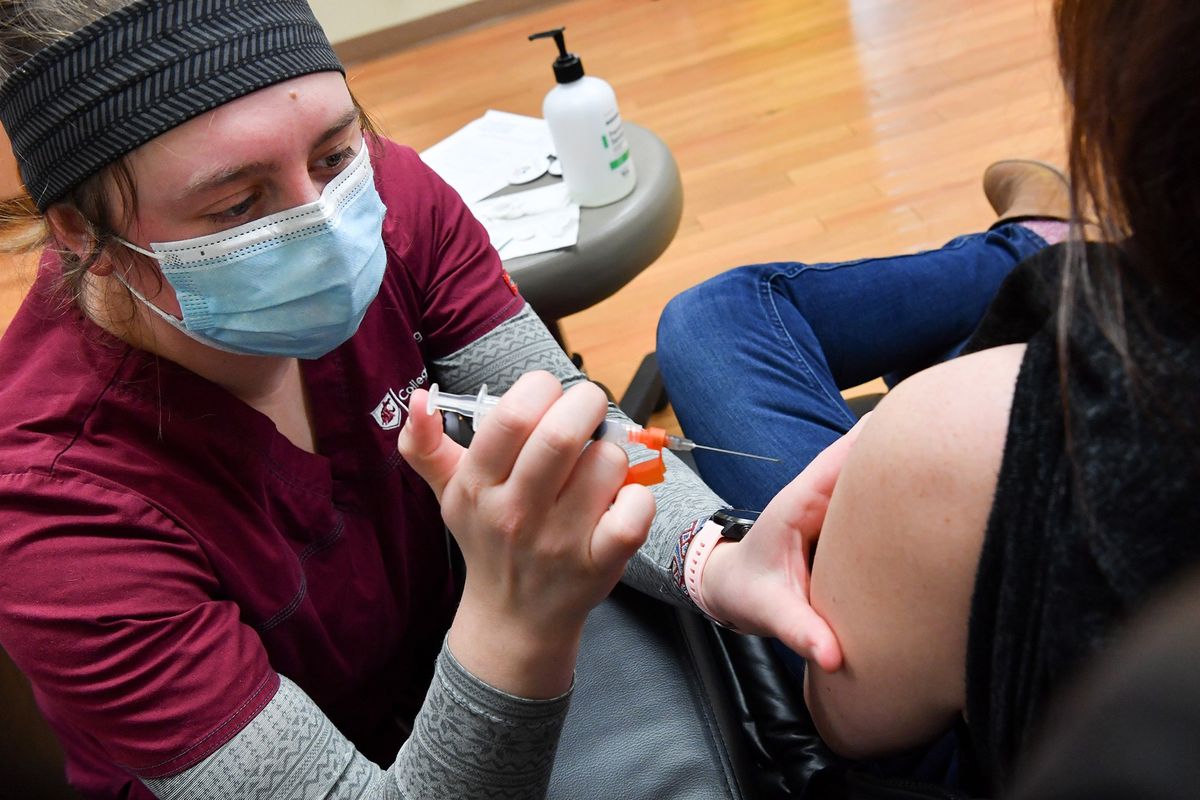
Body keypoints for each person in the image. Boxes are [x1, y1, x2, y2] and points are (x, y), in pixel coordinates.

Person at [0, 1, 729, 797]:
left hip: (458, 665)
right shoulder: (57, 510)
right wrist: (517, 619)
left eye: (332, 153)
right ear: (81, 234)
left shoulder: (390, 196)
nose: (323, 222)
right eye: (236, 206)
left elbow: (574, 419)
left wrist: (715, 556)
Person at [655, 0, 1200, 794]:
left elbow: (847, 723)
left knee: (714, 316)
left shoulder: (958, 438)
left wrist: (911, 457)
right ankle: (1034, 249)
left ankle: (1028, 246)